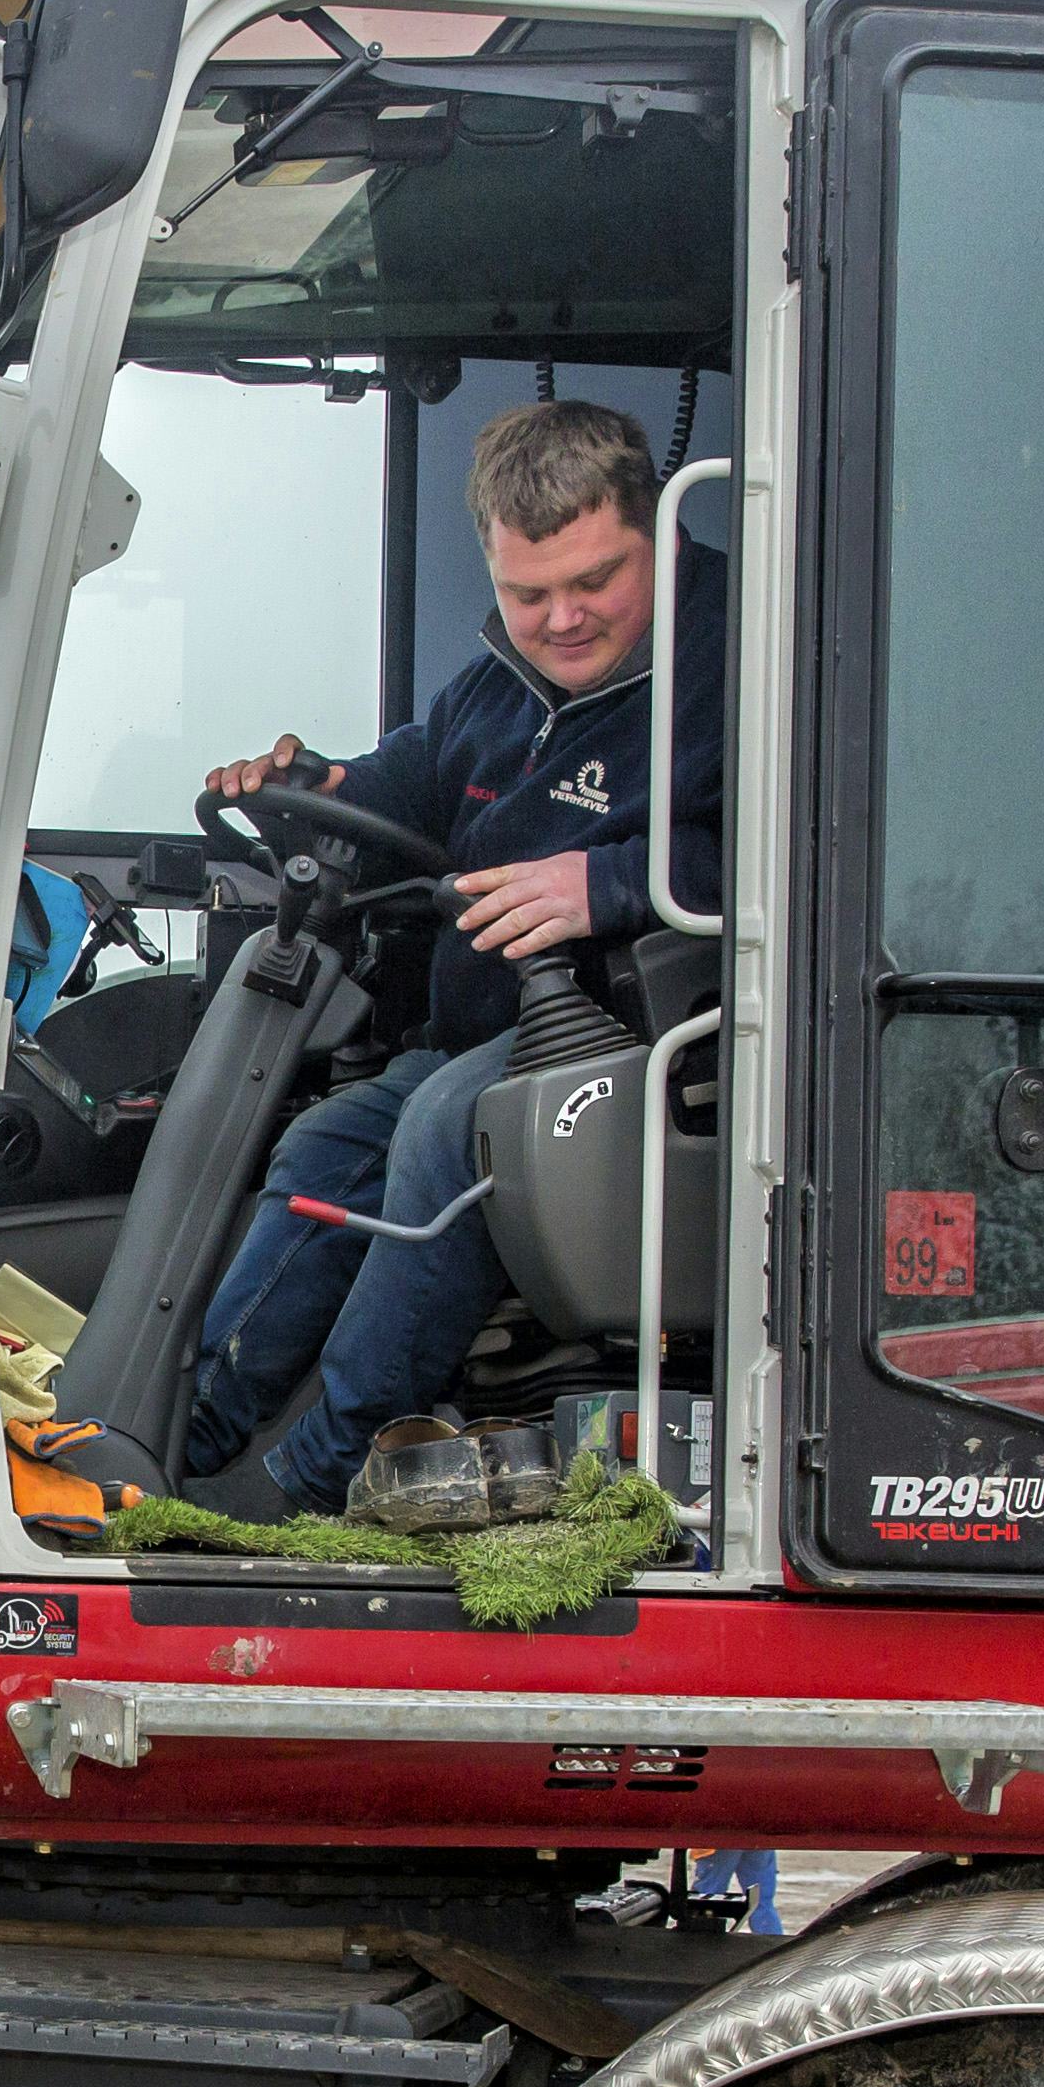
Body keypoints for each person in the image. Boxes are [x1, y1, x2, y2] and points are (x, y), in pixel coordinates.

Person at [179, 397, 727, 1519]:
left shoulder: (744, 660)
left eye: (596, 581)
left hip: (642, 1040)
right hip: (491, 1034)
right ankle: (185, 1433)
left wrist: (616, 881)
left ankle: (322, 1476)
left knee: (444, 1128)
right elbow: (418, 777)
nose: (564, 619)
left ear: (661, 537)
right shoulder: (499, 683)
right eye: (529, 595)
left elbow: (817, 848)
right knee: (331, 1139)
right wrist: (323, 789)